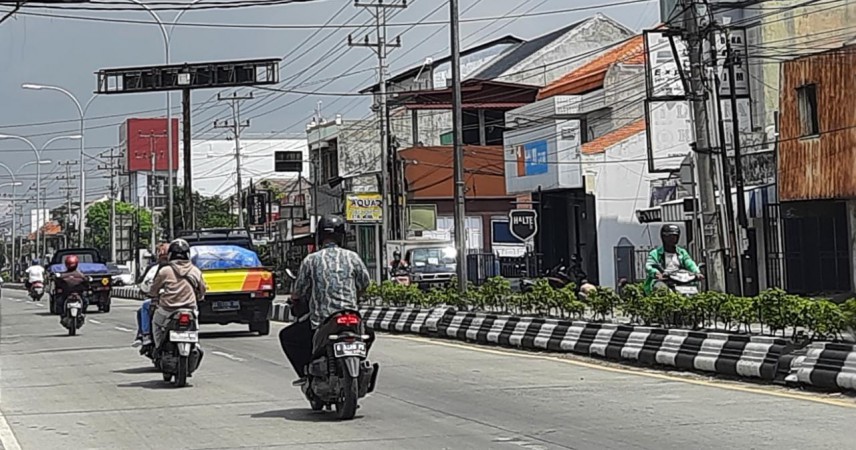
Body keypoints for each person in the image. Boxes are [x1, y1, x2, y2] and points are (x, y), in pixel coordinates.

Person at [279, 215, 373, 383]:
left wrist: (294, 300)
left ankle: (306, 376)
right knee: (369, 335)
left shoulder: (311, 260)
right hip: (352, 316)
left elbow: (298, 291)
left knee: (288, 336)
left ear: (319, 237)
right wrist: (356, 298)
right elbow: (365, 284)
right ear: (342, 236)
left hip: (323, 320)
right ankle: (359, 363)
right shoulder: (353, 257)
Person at [150, 239, 206, 352]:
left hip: (167, 310)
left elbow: (153, 290)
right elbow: (203, 289)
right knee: (194, 327)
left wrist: (153, 295)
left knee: (155, 324)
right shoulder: (195, 271)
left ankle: (158, 348)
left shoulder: (164, 271)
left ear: (170, 255)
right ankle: (196, 345)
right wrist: (200, 297)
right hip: (190, 309)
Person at [644, 224, 703, 294]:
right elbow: (649, 265)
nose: (673, 239)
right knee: (660, 288)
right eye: (670, 236)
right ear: (664, 237)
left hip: (681, 280)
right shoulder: (655, 253)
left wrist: (697, 272)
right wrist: (656, 273)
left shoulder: (682, 252)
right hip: (663, 279)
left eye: (675, 236)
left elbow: (689, 262)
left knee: (694, 290)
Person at [133, 243, 170, 347]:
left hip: (164, 302)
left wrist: (149, 293)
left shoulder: (159, 269)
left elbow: (148, 286)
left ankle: (145, 335)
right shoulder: (189, 268)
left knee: (144, 307)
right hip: (184, 303)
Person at [54, 255, 90, 322]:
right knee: (85, 301)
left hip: (74, 294)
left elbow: (86, 283)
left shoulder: (64, 275)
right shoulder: (80, 275)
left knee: (85, 301)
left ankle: (80, 314)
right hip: (69, 294)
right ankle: (65, 315)